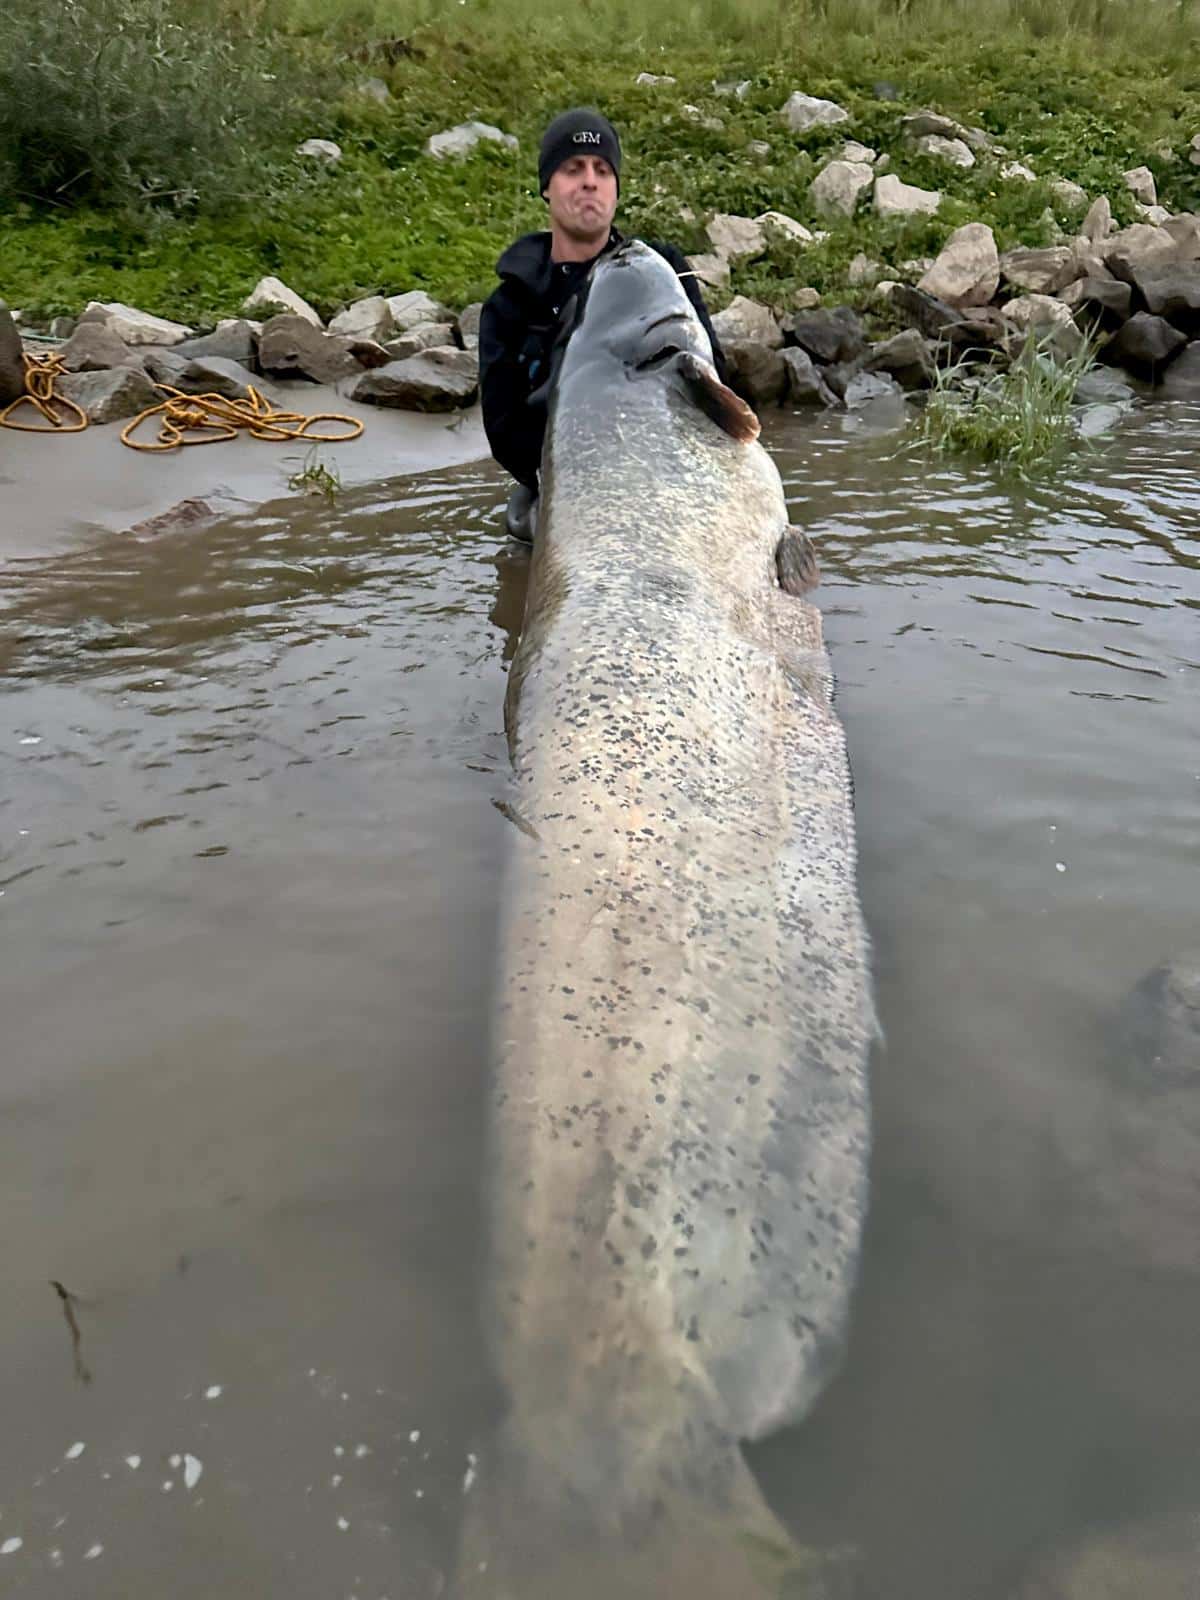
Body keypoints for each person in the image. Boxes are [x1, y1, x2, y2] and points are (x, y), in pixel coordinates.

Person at [479, 107, 728, 543]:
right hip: (568, 485)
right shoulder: (508, 306)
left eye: (602, 170)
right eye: (572, 169)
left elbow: (716, 377)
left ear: (615, 188)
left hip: (667, 475)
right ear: (546, 188)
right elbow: (504, 434)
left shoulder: (663, 271)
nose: (589, 181)